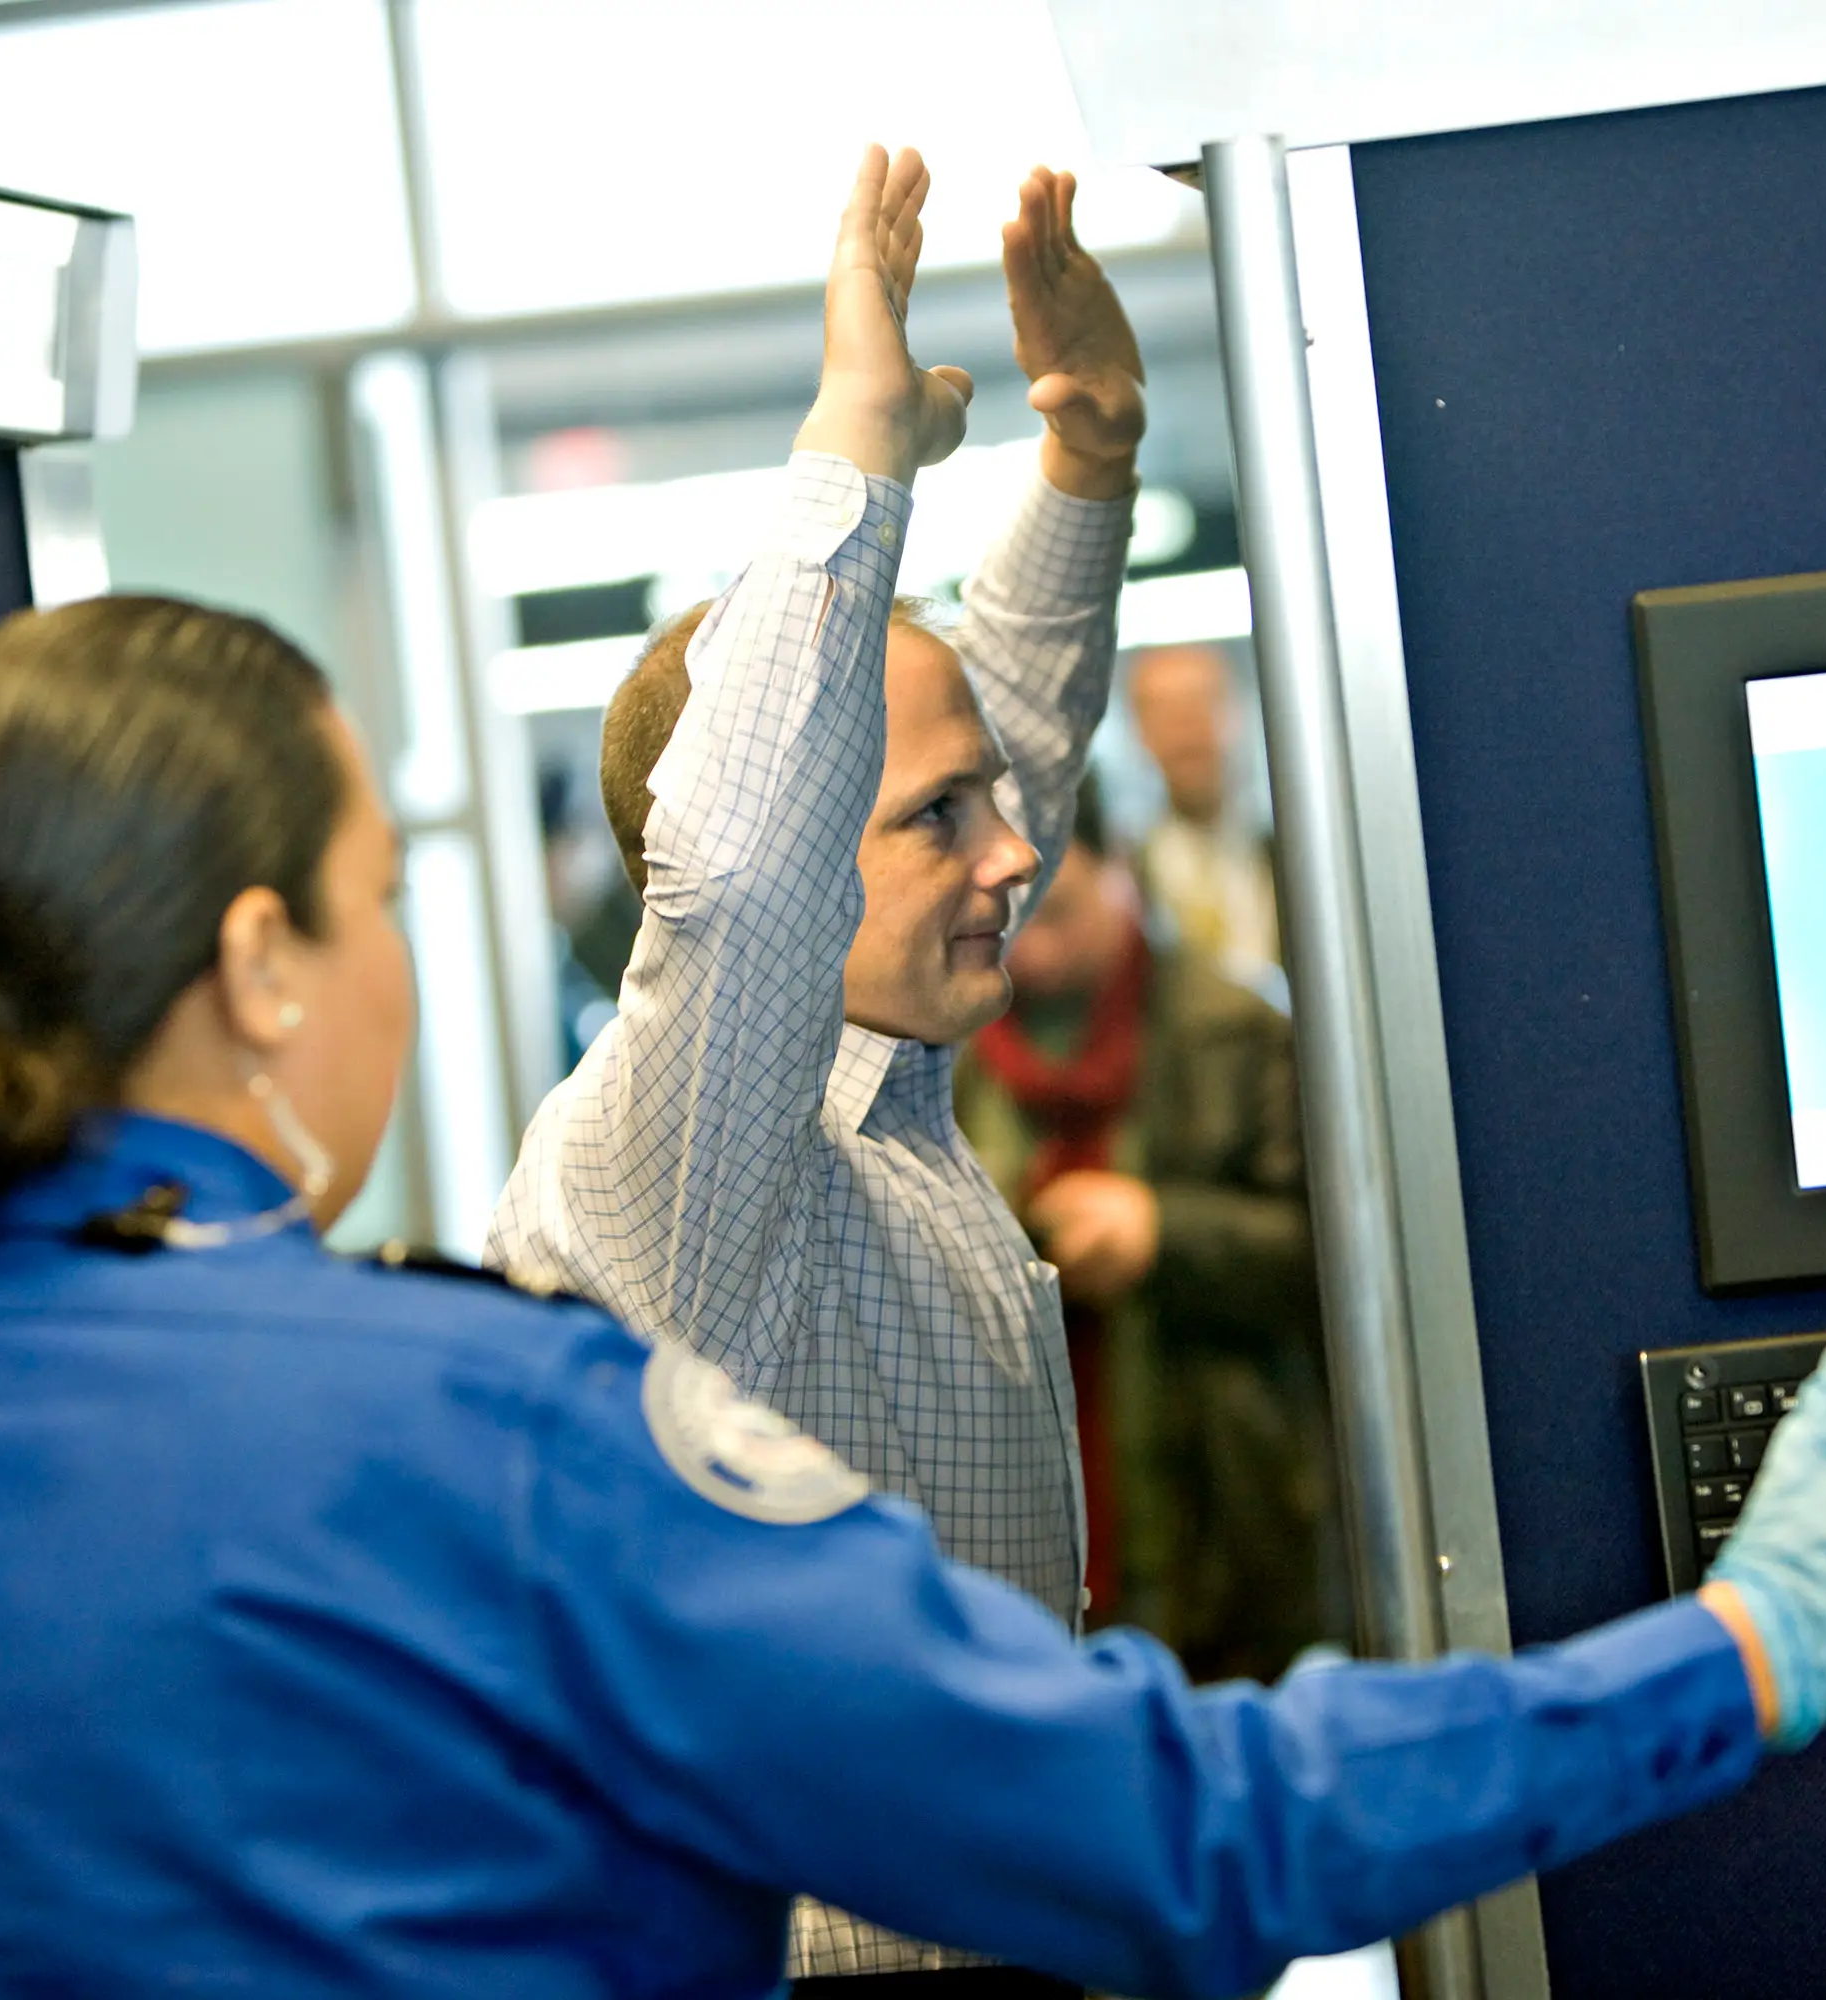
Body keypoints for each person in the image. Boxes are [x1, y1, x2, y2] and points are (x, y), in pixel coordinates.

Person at [0, 574, 1826, 2000]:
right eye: (368, 891)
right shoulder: (488, 1430)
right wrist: (1733, 1651)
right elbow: (1173, 1827)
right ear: (257, 965)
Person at [484, 149, 1142, 1986]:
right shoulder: (673, 1157)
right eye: (943, 822)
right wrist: (851, 446)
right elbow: (765, 854)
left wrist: (1082, 453)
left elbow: (983, 717)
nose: (1017, 852)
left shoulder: (892, 1090)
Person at [955, 784, 1337, 1681]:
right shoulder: (946, 1051)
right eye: (1013, 920)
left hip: (1225, 1512)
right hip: (1027, 1529)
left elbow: (1335, 1259)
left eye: (1062, 912)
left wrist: (1164, 1233)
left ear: (1120, 874)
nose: (1035, 948)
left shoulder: (1237, 1032)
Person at [1127, 644, 1281, 992]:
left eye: (1203, 703)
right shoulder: (1124, 879)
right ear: (1140, 731)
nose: (1187, 732)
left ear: (1237, 713)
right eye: (1166, 713)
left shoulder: (1296, 857)